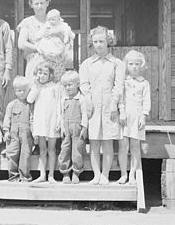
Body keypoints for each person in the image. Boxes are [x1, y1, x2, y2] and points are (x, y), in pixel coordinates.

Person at [79, 26, 126, 185]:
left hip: (109, 106)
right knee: (94, 142)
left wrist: (114, 103)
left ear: (108, 42)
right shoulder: (86, 64)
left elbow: (118, 86)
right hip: (92, 106)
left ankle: (105, 174)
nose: (98, 44)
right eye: (95, 42)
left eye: (102, 41)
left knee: (107, 142)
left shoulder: (117, 63)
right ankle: (96, 175)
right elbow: (84, 85)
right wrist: (88, 99)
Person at [117, 50, 152, 185]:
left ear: (141, 66)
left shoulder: (144, 83)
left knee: (135, 146)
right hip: (124, 117)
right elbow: (120, 98)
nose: (134, 67)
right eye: (131, 64)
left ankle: (132, 174)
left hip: (137, 117)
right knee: (123, 146)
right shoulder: (123, 81)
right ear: (127, 65)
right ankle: (123, 174)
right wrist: (122, 112)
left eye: (137, 64)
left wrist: (143, 116)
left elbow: (146, 101)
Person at [17, 0, 67, 81]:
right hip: (36, 65)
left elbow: (64, 38)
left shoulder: (56, 20)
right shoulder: (27, 22)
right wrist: (41, 49)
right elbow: (21, 43)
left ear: (47, 3)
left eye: (42, 3)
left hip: (55, 64)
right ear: (31, 5)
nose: (39, 6)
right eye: (36, 4)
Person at [26, 62, 61, 183]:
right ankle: (42, 174)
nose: (42, 75)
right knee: (42, 149)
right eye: (40, 73)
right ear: (36, 74)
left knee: (51, 149)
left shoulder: (55, 87)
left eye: (45, 73)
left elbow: (59, 104)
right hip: (40, 121)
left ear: (50, 75)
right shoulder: (36, 87)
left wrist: (59, 121)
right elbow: (29, 99)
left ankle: (51, 174)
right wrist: (36, 85)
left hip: (52, 120)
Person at [56, 70, 90, 184]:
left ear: (77, 84)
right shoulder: (63, 99)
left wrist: (84, 128)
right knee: (65, 150)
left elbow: (85, 114)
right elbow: (61, 115)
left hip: (77, 128)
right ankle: (65, 173)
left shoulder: (81, 98)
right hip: (66, 128)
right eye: (65, 86)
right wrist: (62, 127)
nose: (67, 88)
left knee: (77, 151)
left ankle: (76, 172)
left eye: (70, 85)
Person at [2, 76, 34, 182]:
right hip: (13, 133)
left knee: (25, 153)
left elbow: (32, 119)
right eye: (19, 91)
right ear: (15, 91)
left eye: (24, 90)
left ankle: (24, 175)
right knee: (12, 153)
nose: (22, 93)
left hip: (26, 133)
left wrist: (34, 134)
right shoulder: (11, 105)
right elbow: (7, 118)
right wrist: (6, 131)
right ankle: (13, 175)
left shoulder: (30, 105)